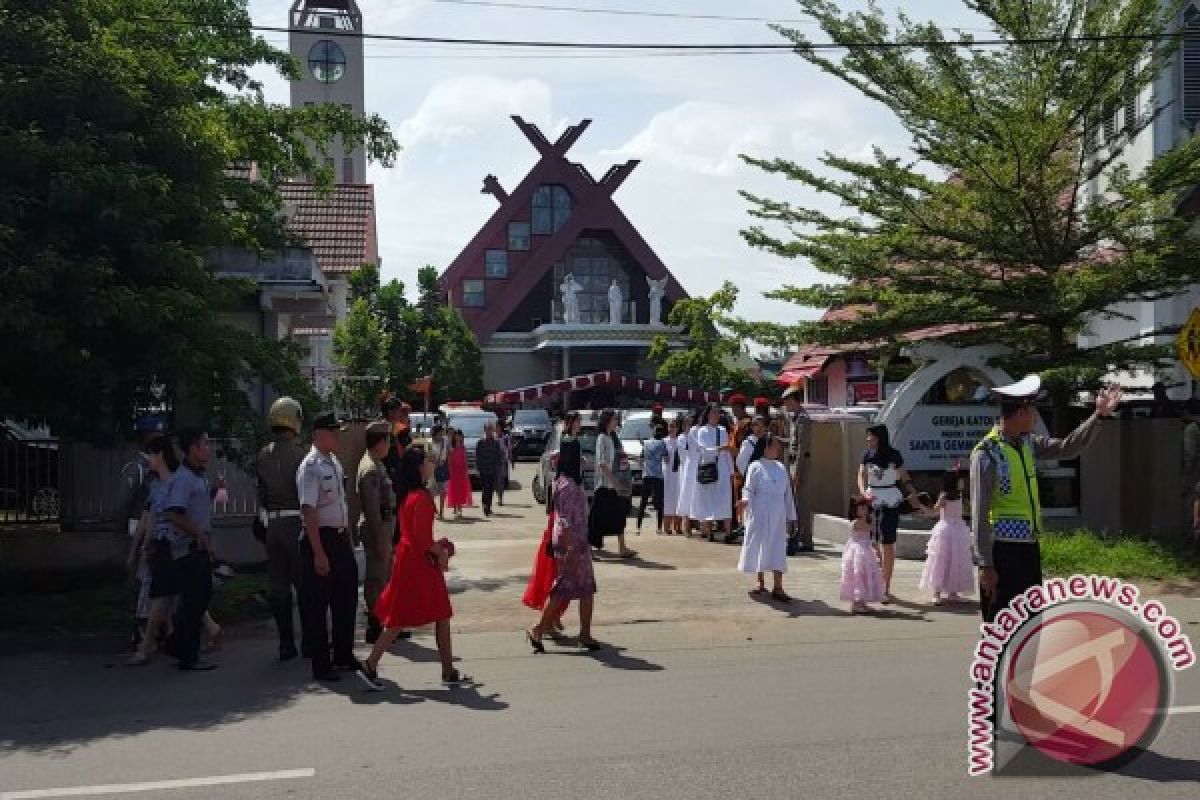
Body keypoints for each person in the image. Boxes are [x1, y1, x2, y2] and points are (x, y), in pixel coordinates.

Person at [972, 377, 1120, 623]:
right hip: (1001, 551)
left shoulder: (1029, 444)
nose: (1036, 417)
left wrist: (1098, 416)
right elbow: (979, 511)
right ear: (1020, 413)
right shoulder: (987, 453)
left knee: (1029, 625)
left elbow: (1066, 447)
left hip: (1028, 548)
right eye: (1033, 411)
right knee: (1002, 628)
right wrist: (986, 565)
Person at [358, 446, 468, 690]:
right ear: (420, 467)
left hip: (411, 559)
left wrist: (437, 548)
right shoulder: (422, 497)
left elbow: (417, 537)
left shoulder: (410, 495)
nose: (432, 464)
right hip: (419, 563)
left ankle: (448, 670)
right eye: (429, 460)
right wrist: (442, 551)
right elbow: (423, 540)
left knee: (430, 615)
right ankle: (370, 665)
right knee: (405, 618)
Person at [528, 414, 601, 653]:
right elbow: (566, 519)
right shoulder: (569, 485)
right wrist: (570, 546)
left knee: (574, 588)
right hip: (572, 541)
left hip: (574, 539)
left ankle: (581, 633)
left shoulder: (563, 481)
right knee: (571, 589)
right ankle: (544, 630)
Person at [297, 412, 360, 682]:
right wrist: (319, 553)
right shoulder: (310, 466)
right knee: (318, 605)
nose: (337, 437)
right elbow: (308, 511)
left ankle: (344, 654)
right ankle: (322, 665)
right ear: (318, 434)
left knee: (346, 597)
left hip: (339, 538)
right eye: (333, 432)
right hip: (320, 540)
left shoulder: (332, 461)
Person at [254, 396, 308, 661]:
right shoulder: (301, 454)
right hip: (296, 522)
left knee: (278, 586)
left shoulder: (263, 454)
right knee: (305, 583)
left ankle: (286, 643)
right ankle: (309, 641)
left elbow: (261, 493)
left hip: (272, 524)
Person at [163, 427, 221, 671]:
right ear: (192, 448)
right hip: (187, 550)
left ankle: (179, 645)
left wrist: (215, 491)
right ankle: (187, 654)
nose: (208, 448)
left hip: (198, 548)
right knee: (193, 602)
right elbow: (174, 514)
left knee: (199, 599)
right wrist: (197, 533)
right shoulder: (183, 478)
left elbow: (198, 504)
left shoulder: (198, 476)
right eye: (205, 443)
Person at [126, 435, 179, 666]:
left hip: (175, 545)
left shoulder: (177, 483)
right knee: (165, 595)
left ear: (160, 455)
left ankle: (147, 645)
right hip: (161, 546)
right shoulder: (156, 485)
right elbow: (151, 520)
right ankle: (163, 638)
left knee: (162, 596)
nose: (147, 459)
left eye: (150, 454)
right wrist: (143, 547)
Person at [857, 424, 925, 603]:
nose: (868, 440)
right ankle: (875, 581)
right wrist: (864, 492)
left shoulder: (894, 455)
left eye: (870, 437)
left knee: (888, 543)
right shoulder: (867, 456)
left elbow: (905, 477)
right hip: (872, 500)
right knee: (871, 542)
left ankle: (885, 587)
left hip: (890, 500)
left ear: (879, 437)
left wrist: (912, 494)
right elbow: (861, 475)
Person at [121, 415, 167, 648]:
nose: (158, 442)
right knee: (141, 579)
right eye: (153, 437)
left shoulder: (160, 465)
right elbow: (126, 500)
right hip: (138, 526)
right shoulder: (138, 467)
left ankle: (154, 626)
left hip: (155, 529)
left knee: (152, 580)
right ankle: (138, 629)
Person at [737, 434, 797, 603]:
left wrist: (792, 516)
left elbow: (788, 495)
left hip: (778, 513)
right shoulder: (755, 466)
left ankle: (778, 586)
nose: (778, 449)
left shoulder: (780, 467)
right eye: (775, 446)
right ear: (766, 448)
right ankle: (759, 581)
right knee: (760, 546)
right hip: (760, 512)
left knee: (777, 547)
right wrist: (745, 501)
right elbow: (748, 488)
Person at [357, 420, 397, 645]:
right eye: (388, 440)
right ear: (380, 442)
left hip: (383, 527)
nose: (389, 445)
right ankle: (375, 624)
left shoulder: (376, 464)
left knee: (384, 577)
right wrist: (381, 540)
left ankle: (386, 622)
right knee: (376, 579)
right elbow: (372, 508)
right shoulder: (370, 469)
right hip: (376, 529)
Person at [918, 469, 974, 606]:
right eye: (960, 479)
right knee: (941, 560)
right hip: (945, 530)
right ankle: (936, 592)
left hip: (959, 529)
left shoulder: (960, 495)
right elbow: (933, 512)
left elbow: (965, 511)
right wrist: (921, 507)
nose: (962, 481)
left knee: (957, 560)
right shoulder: (943, 496)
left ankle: (953, 592)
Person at [590, 410, 636, 558]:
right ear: (607, 421)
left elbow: (621, 458)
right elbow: (602, 464)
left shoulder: (613, 438)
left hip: (613, 486)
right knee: (597, 518)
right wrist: (614, 482)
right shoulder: (601, 438)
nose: (616, 422)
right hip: (604, 485)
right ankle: (590, 548)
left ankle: (622, 547)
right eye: (614, 420)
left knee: (619, 515)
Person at [692, 403, 734, 543]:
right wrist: (720, 448)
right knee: (709, 500)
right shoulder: (702, 431)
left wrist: (731, 471)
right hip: (710, 467)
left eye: (717, 413)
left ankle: (728, 533)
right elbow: (704, 450)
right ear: (708, 414)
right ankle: (710, 532)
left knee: (725, 500)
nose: (716, 415)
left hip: (722, 469)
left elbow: (728, 452)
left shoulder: (723, 430)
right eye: (713, 413)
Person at [782, 386, 816, 553]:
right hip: (794, 462)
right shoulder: (794, 418)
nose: (786, 405)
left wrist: (798, 472)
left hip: (801, 464)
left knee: (801, 503)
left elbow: (803, 447)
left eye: (787, 401)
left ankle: (806, 540)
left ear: (794, 400)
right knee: (794, 502)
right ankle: (798, 536)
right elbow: (793, 442)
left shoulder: (803, 419)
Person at [842, 496, 886, 614]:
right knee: (858, 575)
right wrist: (873, 519)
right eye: (861, 508)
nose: (864, 511)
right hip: (857, 552)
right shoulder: (856, 523)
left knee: (866, 575)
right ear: (855, 510)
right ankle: (856, 603)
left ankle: (862, 601)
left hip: (866, 550)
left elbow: (871, 536)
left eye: (866, 508)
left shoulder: (867, 520)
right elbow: (869, 528)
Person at [637, 423, 668, 535]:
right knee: (659, 502)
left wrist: (644, 469)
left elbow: (641, 460)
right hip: (658, 476)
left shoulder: (645, 443)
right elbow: (666, 459)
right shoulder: (662, 443)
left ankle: (638, 527)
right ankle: (659, 528)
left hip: (647, 476)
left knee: (643, 502)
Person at [677, 411, 700, 536]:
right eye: (687, 423)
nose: (689, 425)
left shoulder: (697, 434)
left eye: (691, 422)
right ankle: (686, 525)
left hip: (696, 468)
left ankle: (695, 522)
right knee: (686, 495)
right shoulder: (681, 438)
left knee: (695, 495)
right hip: (687, 468)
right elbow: (683, 456)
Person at [476, 423, 504, 517]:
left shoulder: (496, 443)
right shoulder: (480, 442)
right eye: (488, 429)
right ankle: (485, 505)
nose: (490, 432)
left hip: (493, 469)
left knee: (491, 488)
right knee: (485, 488)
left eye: (491, 430)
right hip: (484, 469)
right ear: (485, 431)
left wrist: (499, 467)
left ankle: (488, 506)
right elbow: (478, 457)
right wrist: (478, 468)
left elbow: (499, 456)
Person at [661, 417, 683, 535]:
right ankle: (667, 527)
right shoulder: (663, 441)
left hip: (678, 474)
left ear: (677, 428)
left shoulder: (681, 440)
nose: (671, 429)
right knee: (668, 500)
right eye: (670, 426)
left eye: (674, 426)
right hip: (667, 474)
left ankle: (678, 526)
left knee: (678, 499)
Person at [445, 429, 473, 518]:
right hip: (453, 471)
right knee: (454, 489)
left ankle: (459, 508)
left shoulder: (463, 447)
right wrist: (449, 470)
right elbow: (449, 461)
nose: (458, 437)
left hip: (461, 471)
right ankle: (455, 507)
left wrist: (466, 470)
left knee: (461, 489)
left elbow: (465, 460)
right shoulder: (451, 448)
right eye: (456, 435)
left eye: (459, 435)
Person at [429, 425, 450, 520]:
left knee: (443, 491)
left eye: (442, 432)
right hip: (432, 469)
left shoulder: (445, 441)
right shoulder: (430, 442)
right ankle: (434, 509)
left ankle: (441, 511)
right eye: (439, 433)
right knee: (431, 492)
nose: (441, 434)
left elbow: (448, 454)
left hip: (442, 468)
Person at [496, 421, 513, 507]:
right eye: (496, 427)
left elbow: (509, 449)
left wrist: (511, 460)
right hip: (494, 461)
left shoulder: (505, 438)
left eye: (498, 427)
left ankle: (500, 498)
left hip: (502, 461)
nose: (497, 428)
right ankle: (498, 496)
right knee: (496, 481)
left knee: (501, 481)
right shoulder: (494, 438)